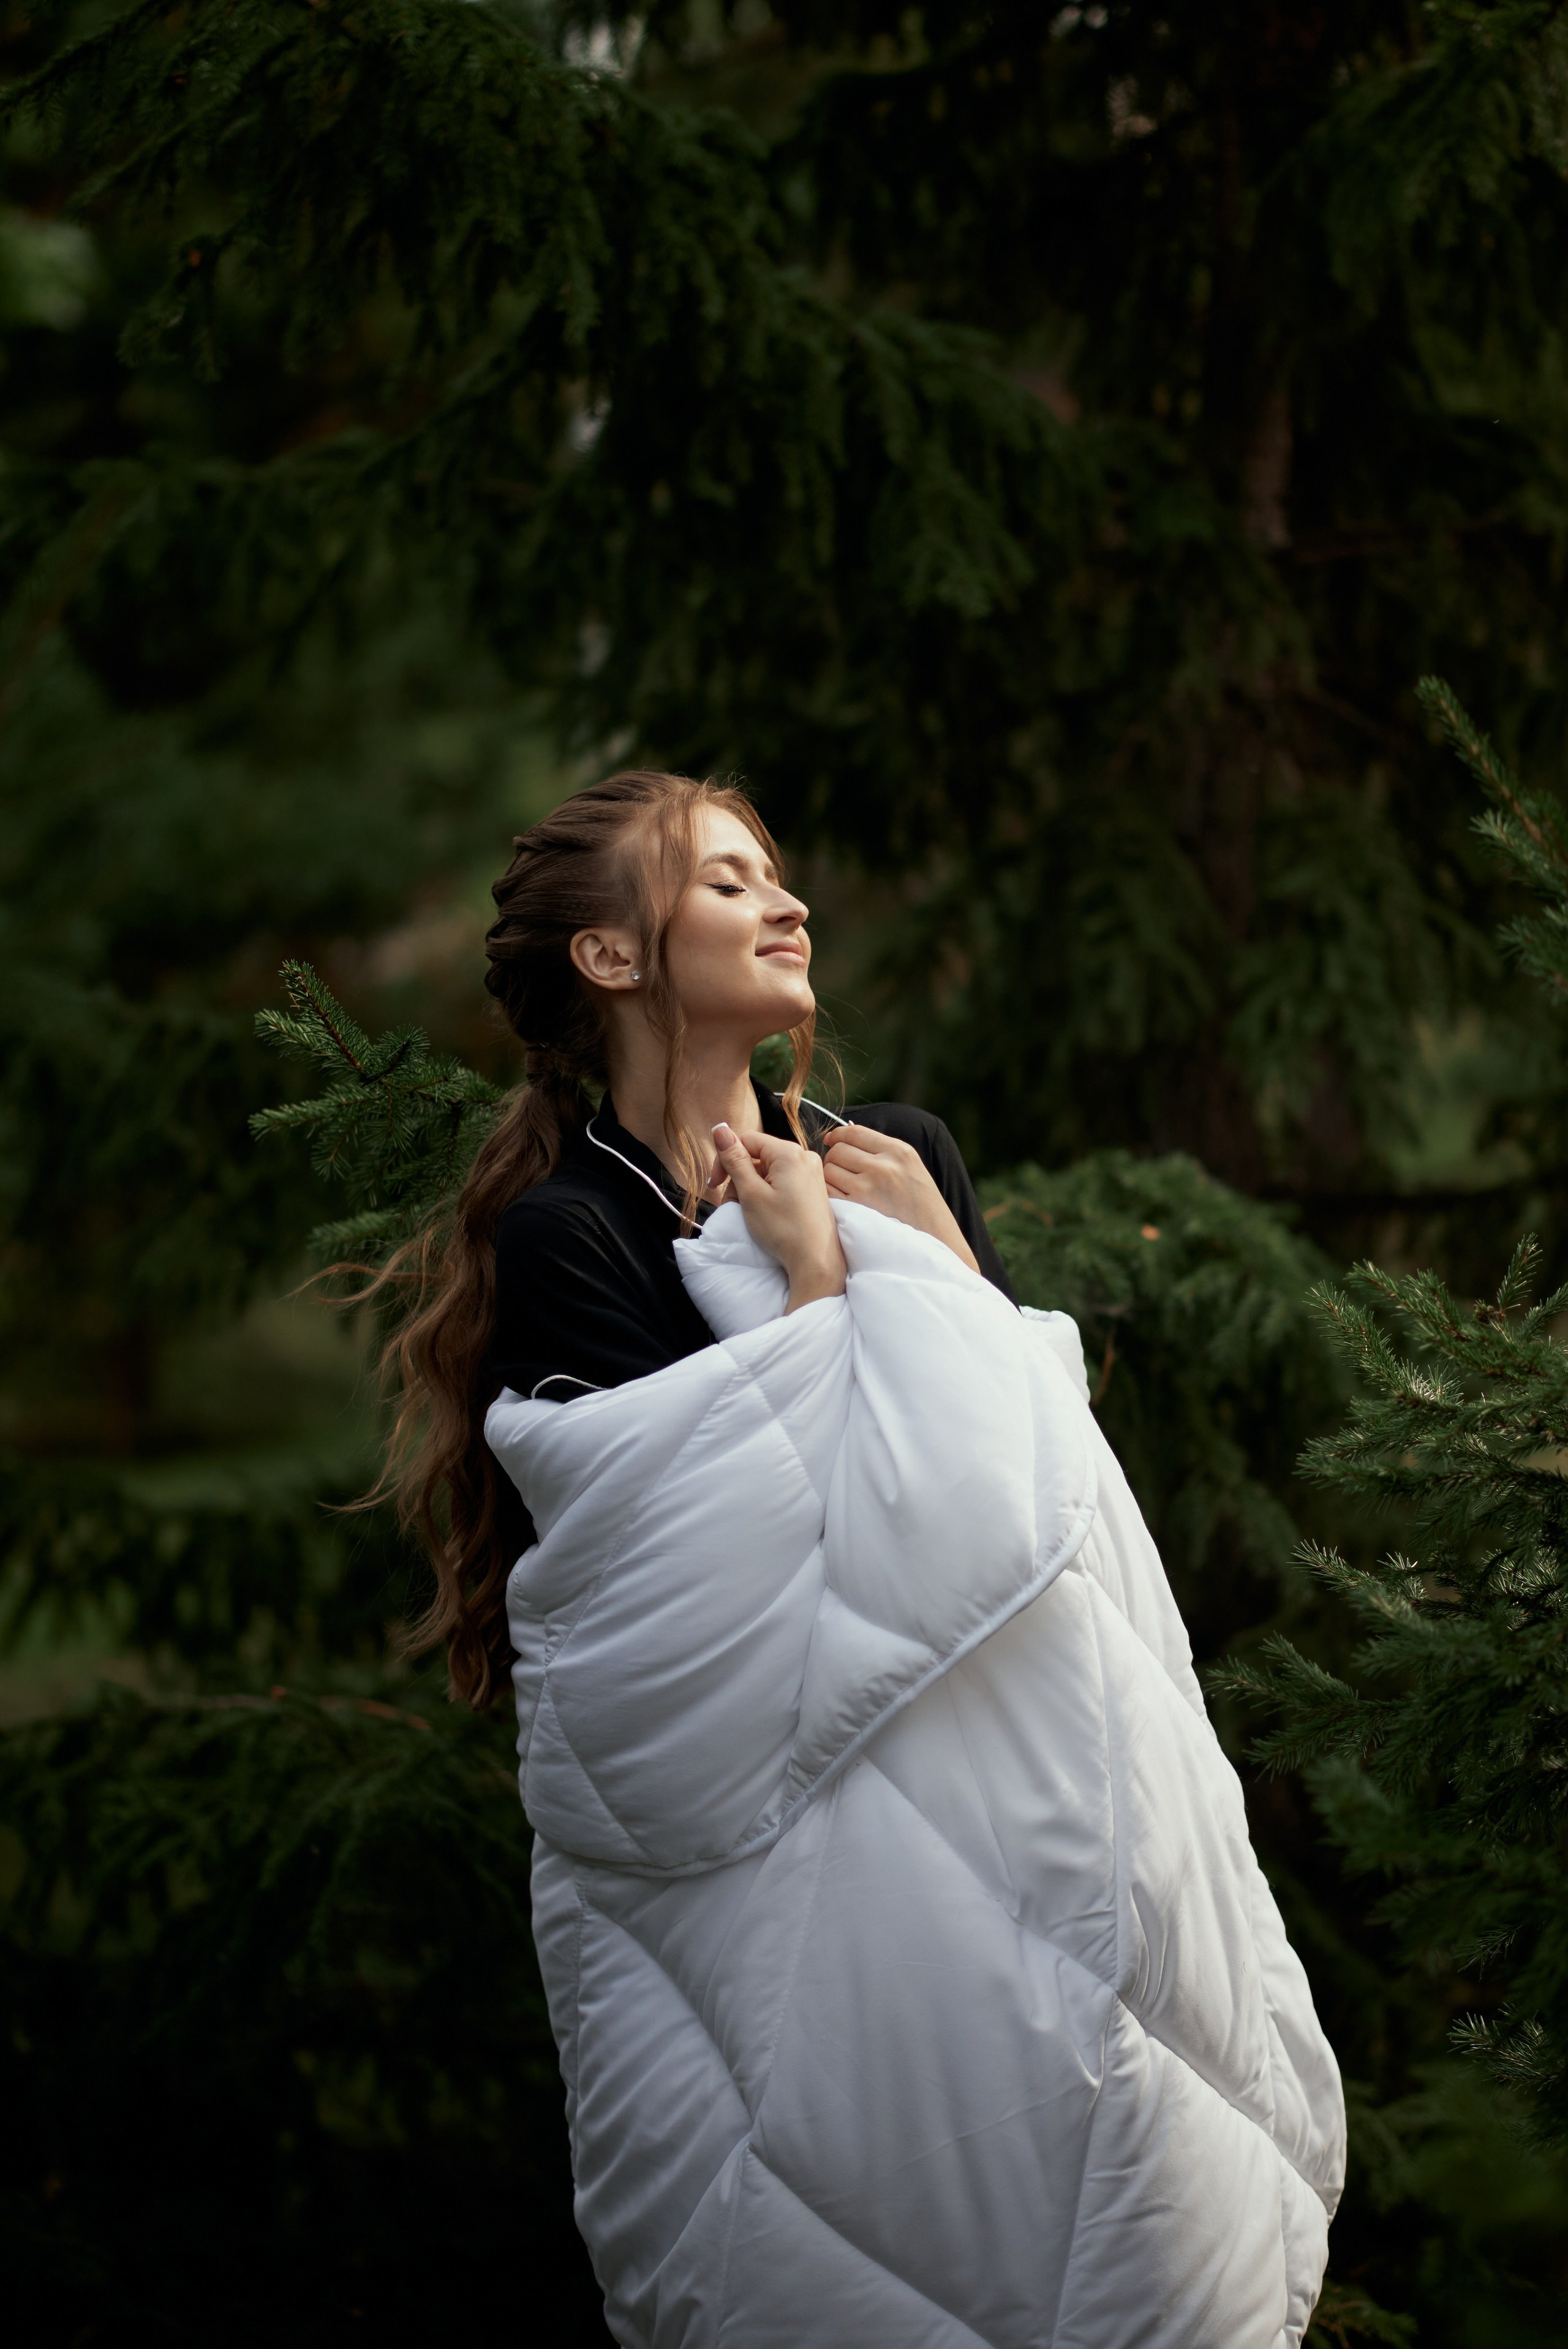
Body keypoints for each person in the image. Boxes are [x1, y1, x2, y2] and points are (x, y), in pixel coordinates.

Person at [385, 769, 1344, 2349]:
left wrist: (943, 1262)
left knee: (1119, 2198)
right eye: (728, 883)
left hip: (1010, 1787)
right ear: (612, 959)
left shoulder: (895, 1152)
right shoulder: (574, 1235)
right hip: (789, 1854)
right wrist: (823, 1278)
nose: (789, 904)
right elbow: (732, 1574)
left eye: (781, 877)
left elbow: (1016, 1488)